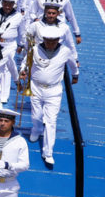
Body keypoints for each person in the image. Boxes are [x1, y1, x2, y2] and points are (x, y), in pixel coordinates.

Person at [19, 22, 78, 167]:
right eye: (47, 40)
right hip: (36, 88)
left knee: (51, 121)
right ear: (43, 39)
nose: (50, 43)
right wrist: (22, 70)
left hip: (54, 90)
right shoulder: (34, 49)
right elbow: (25, 62)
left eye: (53, 41)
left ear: (58, 40)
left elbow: (72, 64)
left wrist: (75, 74)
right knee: (36, 115)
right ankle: (37, 129)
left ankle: (48, 153)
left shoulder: (65, 51)